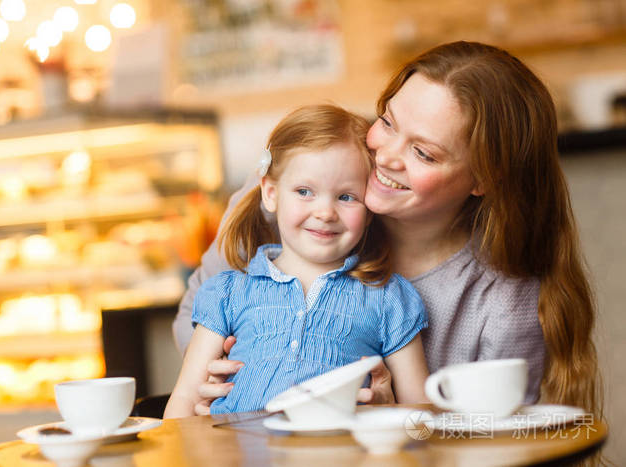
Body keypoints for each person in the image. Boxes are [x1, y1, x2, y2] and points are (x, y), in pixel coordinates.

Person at [172, 41, 601, 417]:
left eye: (424, 153)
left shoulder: (502, 299)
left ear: (483, 179)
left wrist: (394, 420)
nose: (386, 157)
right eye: (388, 121)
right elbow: (196, 314)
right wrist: (222, 372)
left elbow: (498, 443)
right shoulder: (295, 188)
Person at [164, 105, 429, 418]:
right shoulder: (226, 293)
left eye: (346, 197)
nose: (325, 212)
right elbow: (184, 399)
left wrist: (389, 409)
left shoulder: (389, 297)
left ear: (369, 209)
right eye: (305, 191)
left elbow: (422, 416)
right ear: (272, 193)